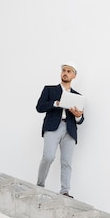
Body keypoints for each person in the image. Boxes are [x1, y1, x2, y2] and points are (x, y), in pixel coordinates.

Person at [35, 62, 85, 198]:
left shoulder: (78, 96)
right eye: (64, 70)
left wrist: (78, 116)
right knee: (48, 156)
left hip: (69, 130)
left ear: (73, 76)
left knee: (67, 162)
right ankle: (39, 185)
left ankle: (65, 191)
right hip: (52, 127)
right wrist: (55, 103)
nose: (65, 73)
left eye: (69, 71)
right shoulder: (49, 90)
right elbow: (39, 107)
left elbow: (81, 119)